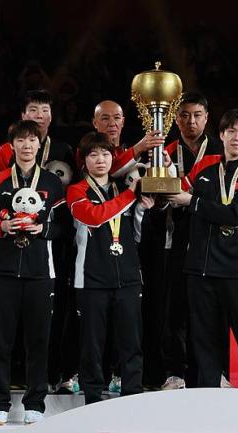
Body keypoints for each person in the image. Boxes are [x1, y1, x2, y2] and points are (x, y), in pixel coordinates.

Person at [167, 109, 238, 389]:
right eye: (231, 131)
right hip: (199, 267)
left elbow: (235, 215)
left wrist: (192, 202)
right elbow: (177, 194)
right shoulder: (205, 171)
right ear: (221, 135)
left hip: (237, 268)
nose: (237, 137)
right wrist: (164, 172)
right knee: (203, 336)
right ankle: (209, 390)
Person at [0, 120, 66, 425]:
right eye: (21, 140)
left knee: (38, 340)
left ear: (39, 145)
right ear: (12, 145)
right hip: (2, 269)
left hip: (41, 270)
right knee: (0, 340)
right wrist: (1, 227)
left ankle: (35, 404)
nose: (27, 145)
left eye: (32, 140)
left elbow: (64, 226)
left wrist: (44, 229)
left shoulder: (52, 182)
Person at [142, 92, 224, 390]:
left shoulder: (220, 152)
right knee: (173, 309)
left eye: (197, 115)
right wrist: (162, 198)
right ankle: (174, 372)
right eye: (185, 115)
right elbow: (154, 198)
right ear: (175, 119)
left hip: (212, 240)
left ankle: (213, 373)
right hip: (172, 238)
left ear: (207, 117)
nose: (191, 121)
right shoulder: (163, 151)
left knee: (209, 310)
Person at [67, 132, 155, 404]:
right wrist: (131, 196)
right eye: (93, 155)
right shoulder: (76, 191)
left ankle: (132, 396)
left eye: (105, 154)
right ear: (84, 161)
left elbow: (136, 235)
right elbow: (94, 217)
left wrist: (142, 210)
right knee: (92, 344)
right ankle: (92, 399)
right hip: (91, 278)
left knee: (131, 342)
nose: (101, 159)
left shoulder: (121, 188)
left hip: (128, 276)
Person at [0, 89, 75, 181]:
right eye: (33, 110)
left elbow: (73, 185)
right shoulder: (5, 150)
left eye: (45, 110)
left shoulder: (63, 150)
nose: (40, 115)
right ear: (23, 115)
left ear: (51, 117)